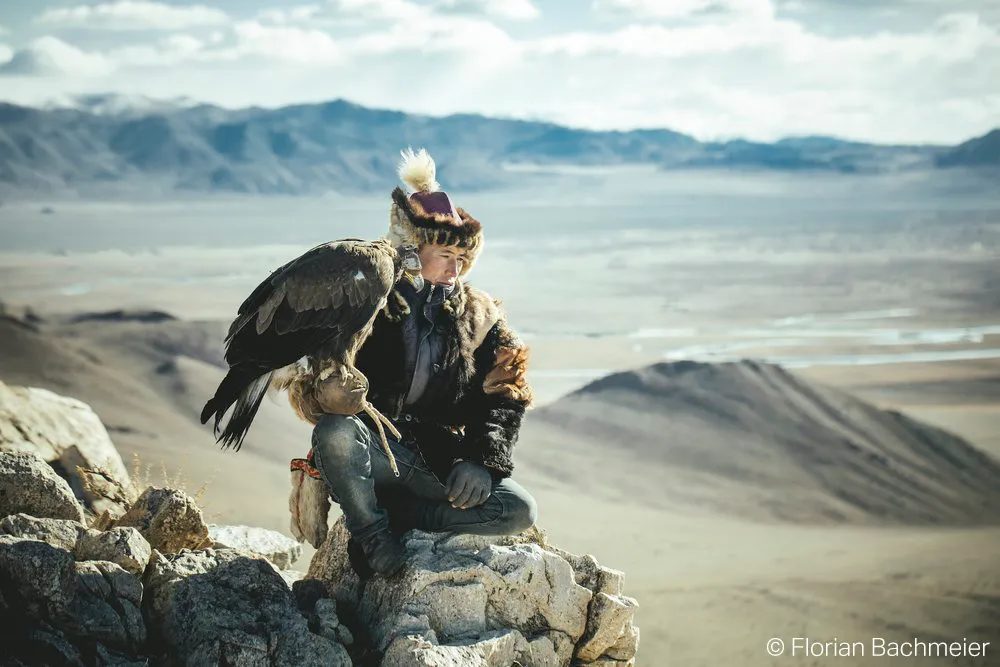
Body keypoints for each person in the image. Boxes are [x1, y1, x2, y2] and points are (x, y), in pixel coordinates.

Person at [296, 148, 537, 578]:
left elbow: (505, 395)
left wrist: (482, 460)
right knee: (334, 431)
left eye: (462, 258)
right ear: (411, 249)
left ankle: (400, 517)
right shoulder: (366, 303)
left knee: (517, 509)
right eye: (444, 255)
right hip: (368, 449)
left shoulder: (479, 315)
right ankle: (371, 535)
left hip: (432, 454)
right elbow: (310, 380)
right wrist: (331, 393)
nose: (455, 268)